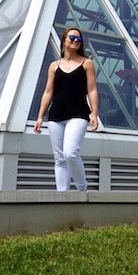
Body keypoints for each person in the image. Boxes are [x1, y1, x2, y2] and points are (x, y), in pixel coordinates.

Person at [34, 27, 100, 191]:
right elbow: (48, 92)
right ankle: (62, 196)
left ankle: (82, 189)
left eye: (79, 39)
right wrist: (40, 116)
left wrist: (94, 113)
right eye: (72, 37)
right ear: (64, 40)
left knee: (70, 153)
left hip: (78, 114)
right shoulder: (54, 66)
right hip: (56, 116)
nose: (75, 41)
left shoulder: (87, 63)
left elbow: (92, 90)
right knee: (59, 158)